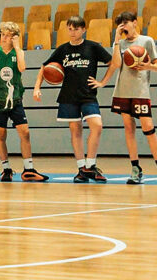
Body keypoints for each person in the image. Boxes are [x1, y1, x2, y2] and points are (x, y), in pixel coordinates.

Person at [33, 15, 117, 183]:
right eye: (70, 29)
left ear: (83, 30)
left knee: (97, 126)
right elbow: (45, 66)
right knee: (75, 131)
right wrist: (37, 87)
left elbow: (113, 63)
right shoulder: (63, 49)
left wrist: (102, 82)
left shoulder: (92, 47)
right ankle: (81, 169)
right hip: (68, 95)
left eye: (76, 29)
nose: (72, 32)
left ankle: (90, 165)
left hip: (87, 95)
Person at [0, 21, 48, 182]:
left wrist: (18, 47)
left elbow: (22, 68)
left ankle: (29, 169)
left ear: (15, 38)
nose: (4, 38)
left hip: (15, 98)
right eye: (2, 35)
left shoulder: (19, 53)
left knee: (25, 132)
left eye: (8, 36)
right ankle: (6, 169)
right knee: (1, 133)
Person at [89, 11, 157, 184]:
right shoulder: (119, 44)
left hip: (140, 91)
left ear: (135, 22)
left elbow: (156, 65)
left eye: (126, 22)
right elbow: (116, 64)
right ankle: (135, 168)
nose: (124, 26)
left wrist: (148, 66)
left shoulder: (147, 41)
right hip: (122, 92)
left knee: (148, 128)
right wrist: (117, 42)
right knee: (129, 128)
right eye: (120, 23)